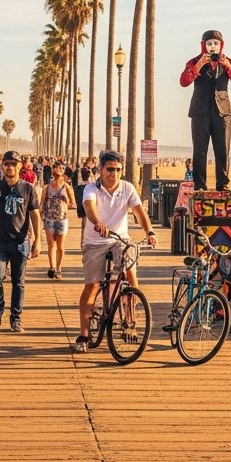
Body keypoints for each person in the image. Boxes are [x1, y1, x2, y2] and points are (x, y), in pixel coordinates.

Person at [73, 150, 156, 353]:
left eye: (118, 170)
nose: (114, 174)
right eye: (110, 169)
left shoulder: (127, 188)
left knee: (130, 272)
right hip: (95, 241)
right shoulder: (91, 188)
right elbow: (89, 207)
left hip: (120, 239)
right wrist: (98, 222)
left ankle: (130, 320)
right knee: (91, 286)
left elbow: (139, 211)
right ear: (100, 170)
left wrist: (150, 231)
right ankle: (84, 334)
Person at [0, 150, 40, 332]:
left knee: (18, 281)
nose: (10, 167)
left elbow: (35, 215)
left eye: (13, 164)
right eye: (7, 164)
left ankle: (15, 317)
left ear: (20, 166)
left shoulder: (28, 188)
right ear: (2, 166)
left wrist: (38, 240)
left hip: (21, 241)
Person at [179, 29, 231, 191]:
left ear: (221, 45)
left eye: (216, 44)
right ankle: (200, 185)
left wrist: (228, 67)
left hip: (223, 111)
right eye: (209, 44)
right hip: (200, 110)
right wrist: (199, 65)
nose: (213, 47)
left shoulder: (228, 61)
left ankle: (223, 184)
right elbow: (183, 82)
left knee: (223, 149)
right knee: (199, 150)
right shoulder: (194, 61)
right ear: (204, 45)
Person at [41, 161, 75, 280]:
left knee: (60, 245)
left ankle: (59, 268)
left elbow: (73, 202)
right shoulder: (47, 187)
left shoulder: (67, 187)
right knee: (51, 244)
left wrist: (66, 204)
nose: (58, 169)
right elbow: (42, 202)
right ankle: (52, 268)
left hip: (62, 219)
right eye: (56, 167)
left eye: (61, 168)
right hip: (49, 218)